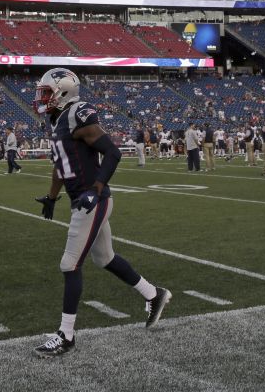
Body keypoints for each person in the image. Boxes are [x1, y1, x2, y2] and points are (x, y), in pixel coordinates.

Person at [31, 68, 171, 357]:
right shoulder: (58, 121)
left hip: (92, 200)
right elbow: (61, 166)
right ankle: (153, 294)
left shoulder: (76, 114)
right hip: (82, 199)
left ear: (63, 91)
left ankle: (66, 336)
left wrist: (95, 189)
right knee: (105, 258)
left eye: (46, 92)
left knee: (69, 265)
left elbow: (113, 152)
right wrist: (52, 197)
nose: (42, 97)